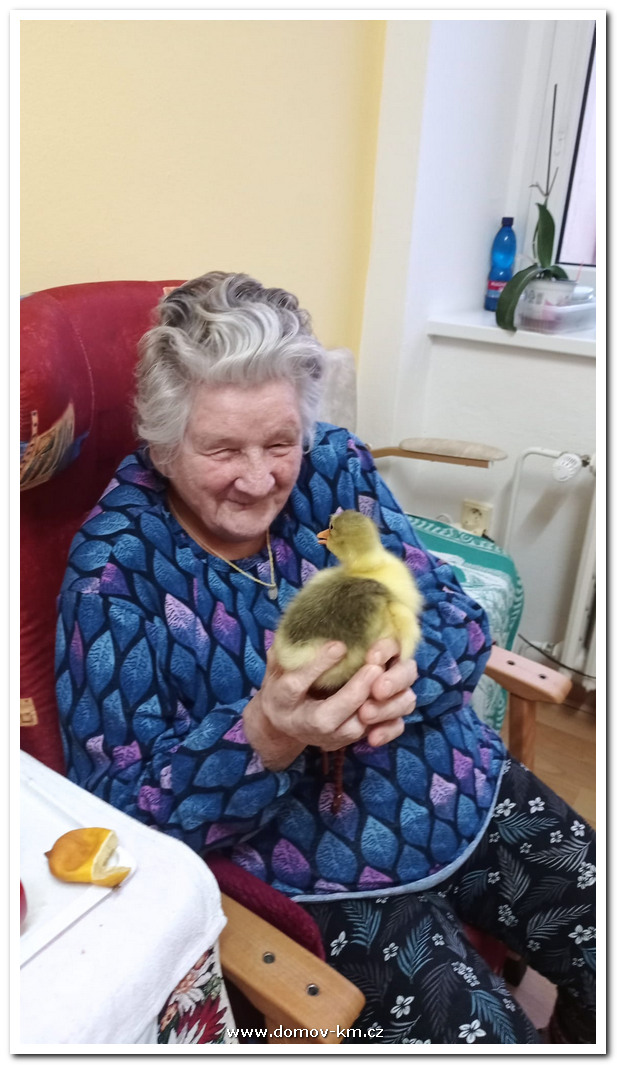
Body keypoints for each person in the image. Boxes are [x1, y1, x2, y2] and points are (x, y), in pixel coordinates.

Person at [55, 271, 596, 1045]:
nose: (259, 480)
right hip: (318, 870)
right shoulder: (113, 574)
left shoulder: (333, 467)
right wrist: (267, 735)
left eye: (280, 442)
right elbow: (118, 819)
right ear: (164, 445)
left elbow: (451, 615)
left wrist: (406, 673)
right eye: (222, 448)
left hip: (461, 788)